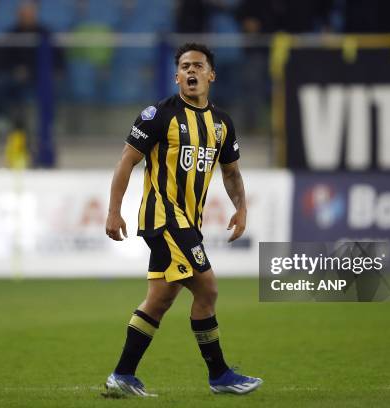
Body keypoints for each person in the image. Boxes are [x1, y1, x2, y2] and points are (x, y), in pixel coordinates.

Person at [104, 43, 262, 397]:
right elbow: (126, 161)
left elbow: (232, 172)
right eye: (185, 66)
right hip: (163, 216)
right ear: (176, 76)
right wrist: (114, 210)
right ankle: (220, 374)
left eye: (198, 65)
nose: (191, 71)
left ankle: (122, 376)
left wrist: (242, 207)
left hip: (188, 221)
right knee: (207, 288)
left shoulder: (222, 123)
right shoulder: (158, 115)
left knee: (159, 298)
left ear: (211, 75)